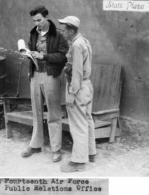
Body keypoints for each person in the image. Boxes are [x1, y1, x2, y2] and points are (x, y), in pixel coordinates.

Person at [21, 5, 68, 162]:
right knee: (36, 111)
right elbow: (30, 47)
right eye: (34, 21)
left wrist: (43, 56)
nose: (37, 24)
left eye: (39, 20)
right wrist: (27, 53)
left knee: (54, 113)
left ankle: (56, 149)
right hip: (35, 75)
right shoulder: (33, 32)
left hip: (51, 76)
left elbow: (63, 57)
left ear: (47, 17)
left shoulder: (59, 35)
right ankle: (35, 145)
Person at [57, 16, 97, 172]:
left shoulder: (76, 45)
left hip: (78, 87)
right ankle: (90, 153)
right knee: (87, 120)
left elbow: (78, 72)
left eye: (64, 30)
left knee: (78, 125)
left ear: (72, 30)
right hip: (86, 86)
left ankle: (79, 162)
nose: (62, 32)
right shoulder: (83, 41)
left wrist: (72, 93)